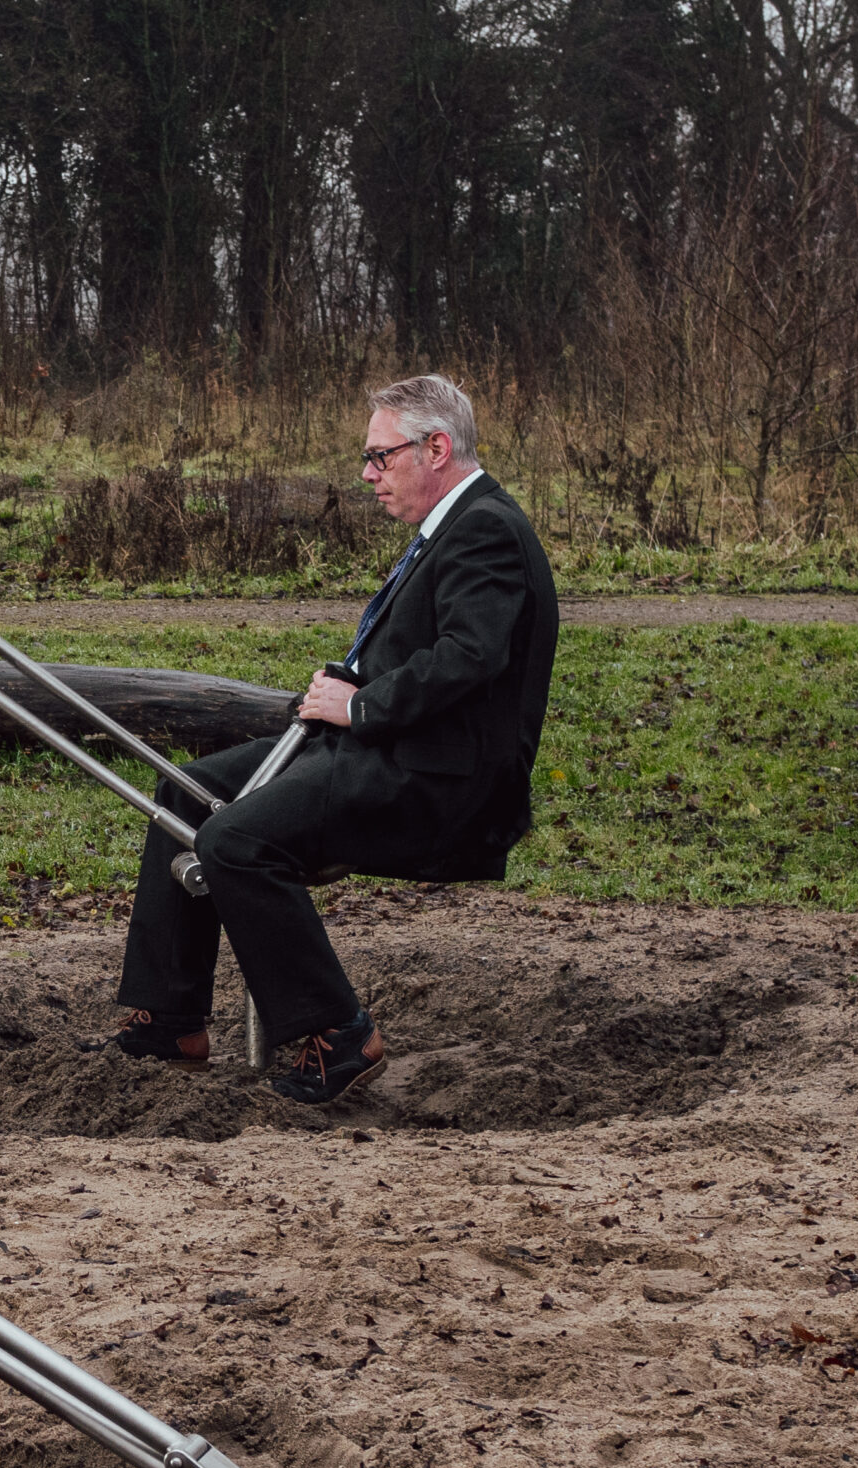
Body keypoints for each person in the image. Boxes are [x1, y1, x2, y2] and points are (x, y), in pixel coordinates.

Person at [108, 374, 558, 1102]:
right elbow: (428, 650)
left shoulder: (487, 530)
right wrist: (342, 691)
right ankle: (171, 1021)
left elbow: (469, 658)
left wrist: (363, 706)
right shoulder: (456, 525)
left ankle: (340, 1034)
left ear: (436, 449)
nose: (368, 474)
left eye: (381, 457)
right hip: (387, 746)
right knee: (185, 793)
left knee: (234, 840)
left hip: (436, 778)